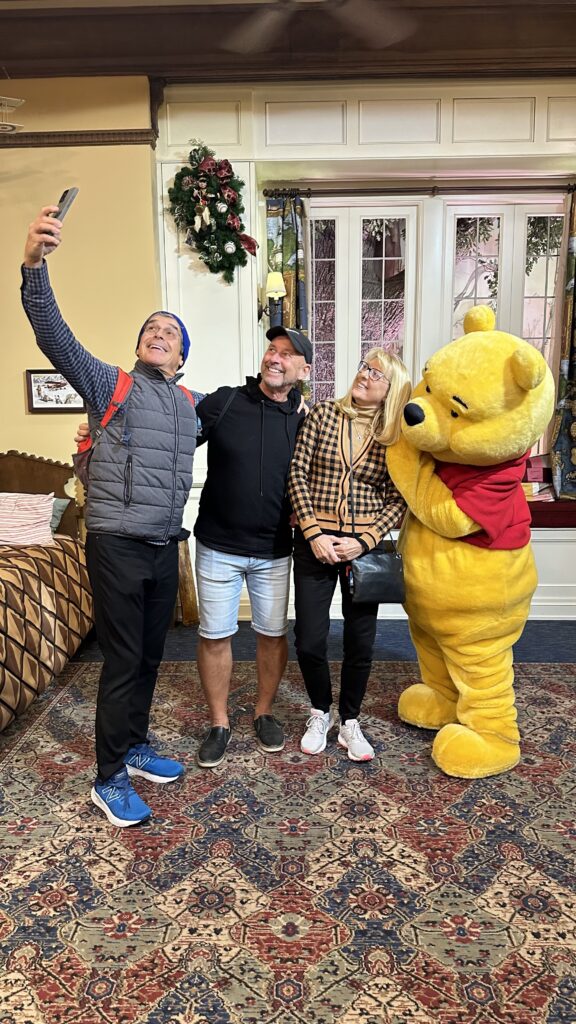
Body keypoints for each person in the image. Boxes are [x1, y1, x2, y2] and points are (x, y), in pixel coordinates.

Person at [21, 206, 200, 827]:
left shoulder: (190, 406)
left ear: (182, 356)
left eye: (170, 331)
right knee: (123, 661)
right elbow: (55, 338)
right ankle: (107, 777)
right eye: (151, 327)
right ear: (138, 343)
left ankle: (137, 745)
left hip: (163, 544)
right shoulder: (110, 385)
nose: (158, 332)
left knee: (152, 657)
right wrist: (34, 266)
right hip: (116, 544)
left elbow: (249, 415)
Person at [194, 326, 311, 768]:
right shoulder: (224, 402)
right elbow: (172, 436)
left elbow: (324, 471)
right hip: (217, 545)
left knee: (271, 634)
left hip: (275, 549)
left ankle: (263, 713)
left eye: (287, 355)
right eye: (271, 350)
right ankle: (220, 722)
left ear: (303, 369)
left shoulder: (305, 417)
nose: (275, 359)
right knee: (215, 634)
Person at [287, 350, 411, 762]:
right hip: (314, 543)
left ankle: (350, 720)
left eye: (377, 373)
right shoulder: (323, 414)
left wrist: (366, 539)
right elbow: (297, 475)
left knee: (360, 641)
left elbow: (398, 499)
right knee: (309, 639)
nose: (365, 374)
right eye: (364, 366)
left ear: (390, 389)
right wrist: (313, 533)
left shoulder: (394, 435)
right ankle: (320, 712)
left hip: (363, 550)